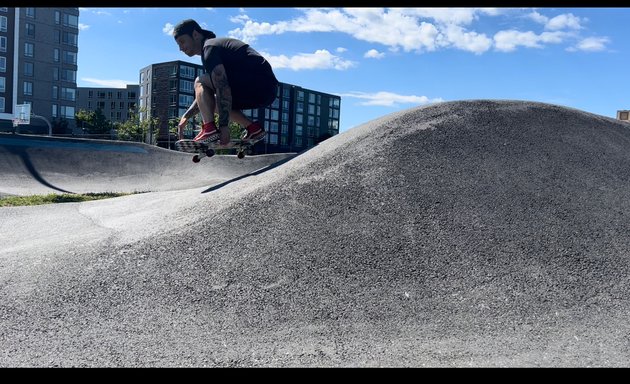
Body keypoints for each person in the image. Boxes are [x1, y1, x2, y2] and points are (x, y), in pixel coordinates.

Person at [173, 19, 279, 145]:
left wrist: (224, 127)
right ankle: (253, 129)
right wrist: (186, 116)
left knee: (199, 81)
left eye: (182, 41)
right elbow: (204, 97)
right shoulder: (211, 49)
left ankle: (209, 129)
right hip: (266, 91)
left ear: (195, 34)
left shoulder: (210, 48)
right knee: (213, 101)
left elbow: (222, 87)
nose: (180, 48)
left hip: (258, 82)